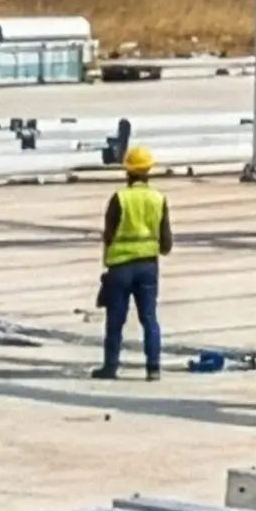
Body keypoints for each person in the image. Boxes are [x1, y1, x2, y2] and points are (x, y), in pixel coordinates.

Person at [92, 144, 170, 381]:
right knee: (149, 317)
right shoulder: (158, 199)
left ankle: (111, 366)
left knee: (115, 319)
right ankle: (153, 367)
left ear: (127, 171)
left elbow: (108, 233)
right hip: (148, 266)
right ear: (148, 171)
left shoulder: (119, 199)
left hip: (120, 267)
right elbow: (166, 243)